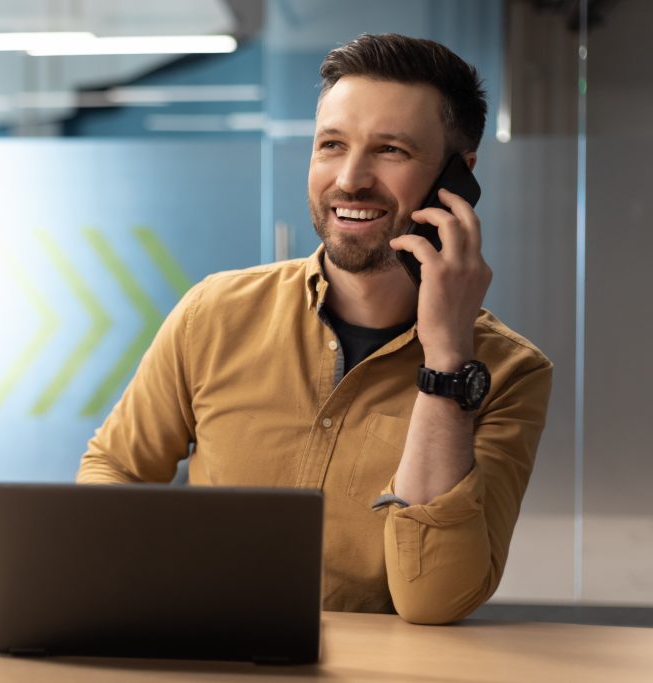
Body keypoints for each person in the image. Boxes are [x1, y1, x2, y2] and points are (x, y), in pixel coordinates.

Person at [77, 33, 553, 625]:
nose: (350, 179)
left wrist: (446, 364)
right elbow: (115, 468)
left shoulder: (508, 374)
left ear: (458, 179)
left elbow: (434, 600)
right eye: (332, 144)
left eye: (391, 151)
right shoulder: (216, 313)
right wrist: (150, 582)